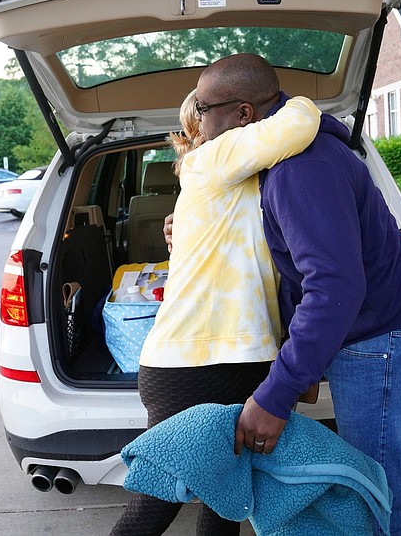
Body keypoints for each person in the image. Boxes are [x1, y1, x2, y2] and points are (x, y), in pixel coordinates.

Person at [169, 53, 401, 536]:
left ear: (242, 113)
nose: (197, 121)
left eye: (202, 108)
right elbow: (292, 264)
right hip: (367, 338)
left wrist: (276, 395)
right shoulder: (277, 162)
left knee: (374, 500)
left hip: (386, 342)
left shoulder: (301, 170)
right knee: (369, 496)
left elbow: (333, 285)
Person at [109, 59, 321, 536]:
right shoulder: (214, 160)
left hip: (233, 360)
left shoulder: (240, 182)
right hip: (192, 365)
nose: (207, 124)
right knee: (156, 502)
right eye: (201, 113)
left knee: (225, 502)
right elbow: (301, 120)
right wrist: (301, 102)